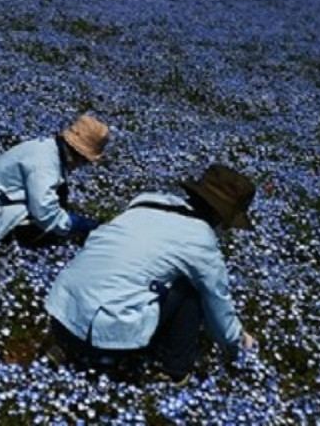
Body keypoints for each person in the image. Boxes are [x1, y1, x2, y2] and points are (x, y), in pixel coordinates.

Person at [43, 163, 259, 384]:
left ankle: (67, 347)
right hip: (101, 337)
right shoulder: (200, 239)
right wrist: (237, 340)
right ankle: (174, 372)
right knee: (193, 291)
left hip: (60, 315)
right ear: (220, 216)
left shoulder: (147, 202)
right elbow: (217, 302)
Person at [0, 115, 110, 243]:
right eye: (85, 161)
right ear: (76, 154)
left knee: (60, 193)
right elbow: (44, 211)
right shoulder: (44, 164)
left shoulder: (48, 149)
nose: (82, 166)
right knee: (51, 225)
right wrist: (75, 225)